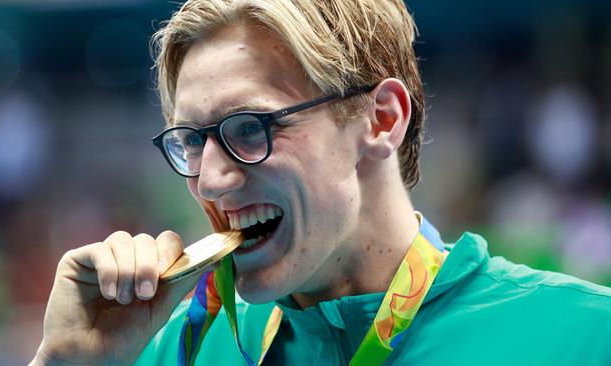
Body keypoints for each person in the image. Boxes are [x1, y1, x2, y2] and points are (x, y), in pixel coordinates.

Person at [30, 1, 611, 365]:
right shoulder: (163, 350)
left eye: (249, 128)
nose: (208, 180)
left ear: (382, 120)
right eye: (191, 140)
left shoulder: (584, 338)